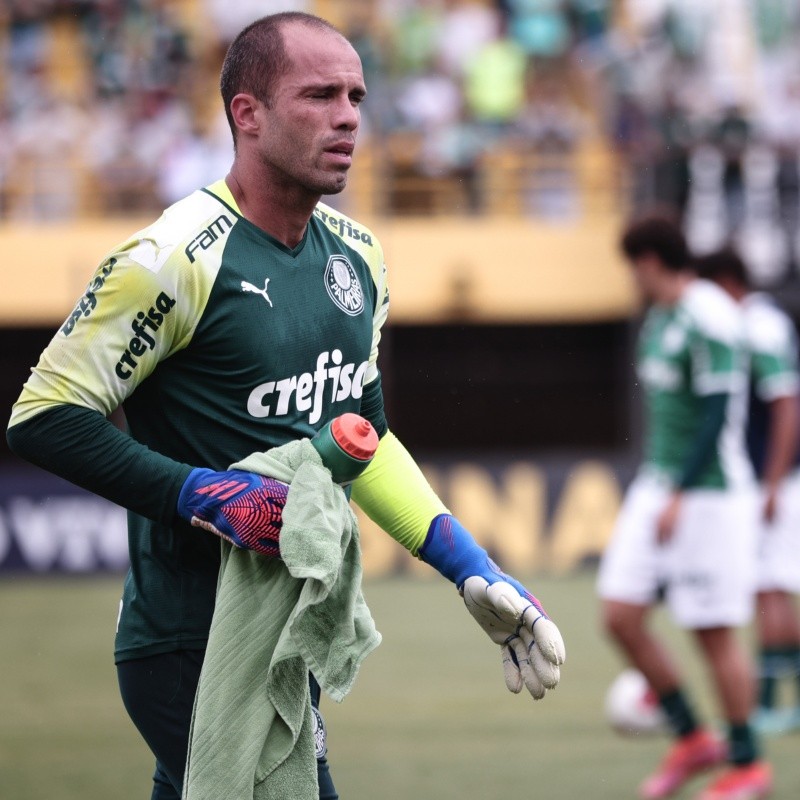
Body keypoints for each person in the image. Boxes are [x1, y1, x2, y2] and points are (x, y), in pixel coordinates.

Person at [5, 12, 565, 800]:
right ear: (248, 113)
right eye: (319, 96)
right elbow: (43, 415)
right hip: (191, 642)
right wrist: (202, 495)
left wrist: (470, 567)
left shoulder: (359, 257)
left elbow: (363, 441)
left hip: (286, 632)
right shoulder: (169, 257)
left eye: (356, 97)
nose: (348, 117)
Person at [596, 216, 772, 800]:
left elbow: (719, 414)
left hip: (710, 494)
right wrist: (662, 486)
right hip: (659, 486)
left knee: (713, 633)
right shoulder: (660, 319)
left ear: (649, 261)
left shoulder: (710, 314)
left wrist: (679, 491)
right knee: (620, 614)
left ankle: (747, 762)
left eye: (633, 266)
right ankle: (693, 736)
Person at [695, 247, 800, 736]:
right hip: (765, 480)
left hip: (775, 480)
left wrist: (773, 482)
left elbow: (785, 406)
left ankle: (774, 702)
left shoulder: (760, 326)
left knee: (771, 587)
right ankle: (777, 699)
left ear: (727, 282)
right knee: (768, 587)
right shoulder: (754, 324)